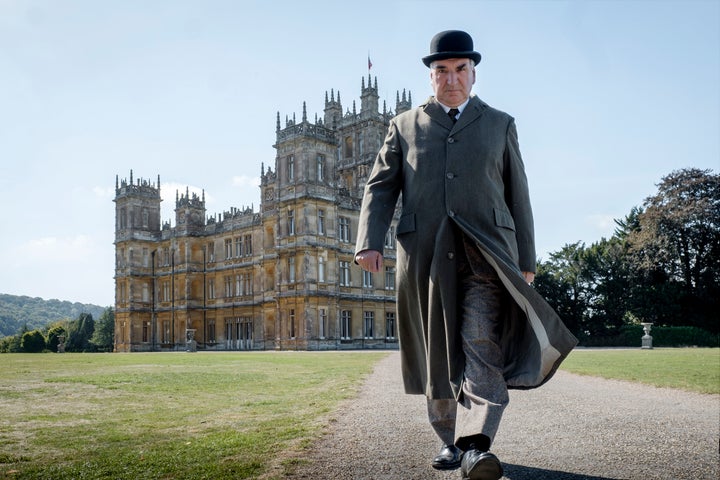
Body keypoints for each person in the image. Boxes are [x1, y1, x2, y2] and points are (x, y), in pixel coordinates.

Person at [354, 30, 577, 480]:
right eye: (442, 70)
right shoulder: (403, 125)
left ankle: (475, 444)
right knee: (436, 350)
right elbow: (380, 187)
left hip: (488, 252)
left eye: (460, 69)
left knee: (481, 344)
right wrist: (368, 240)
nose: (451, 78)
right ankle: (447, 438)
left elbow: (519, 194)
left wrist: (527, 258)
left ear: (473, 74)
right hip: (426, 252)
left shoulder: (500, 123)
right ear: (431, 76)